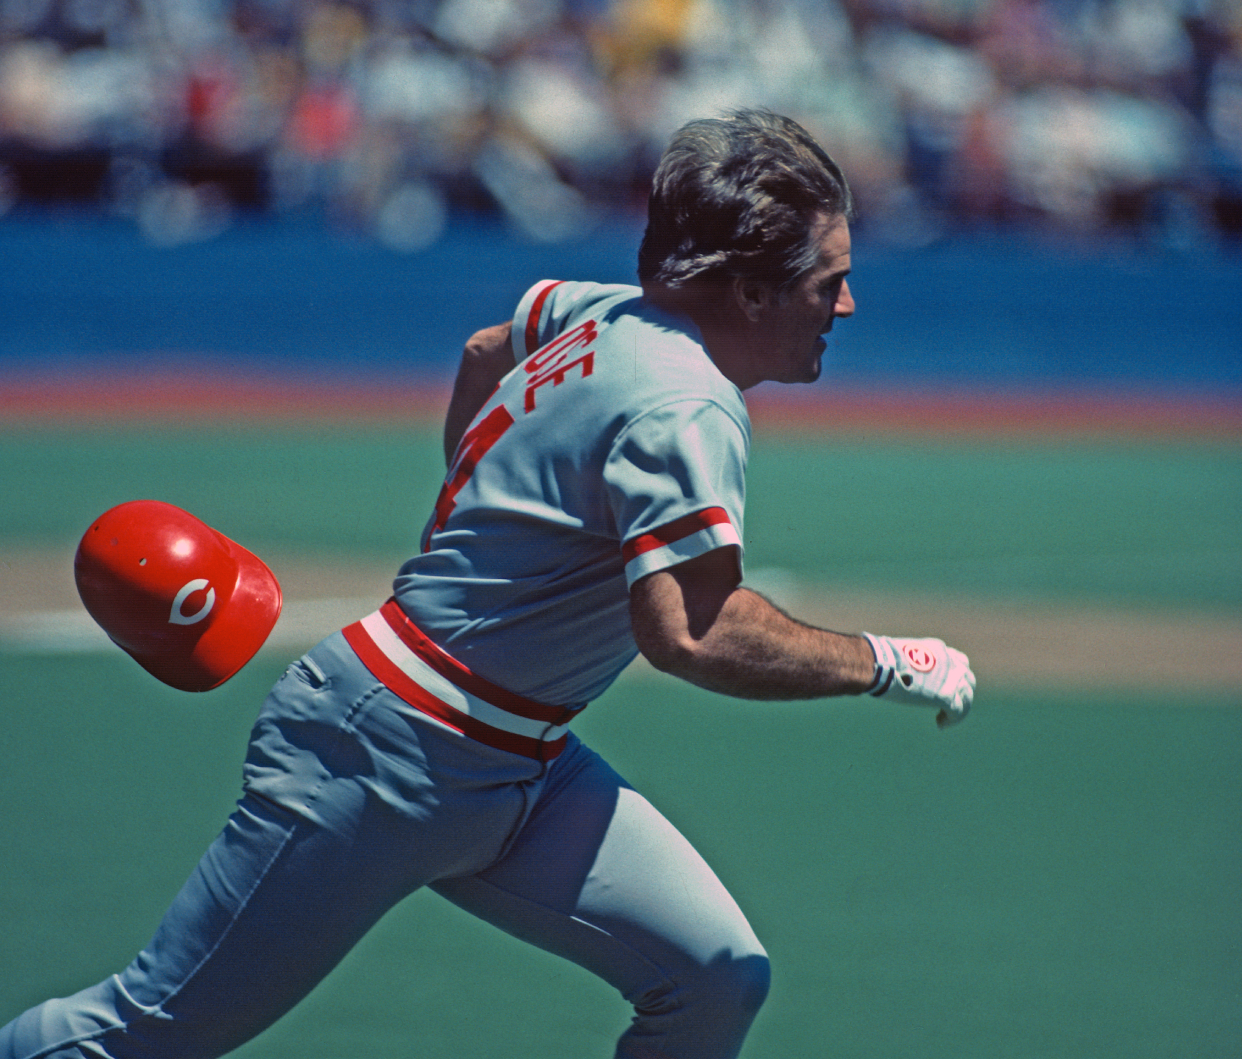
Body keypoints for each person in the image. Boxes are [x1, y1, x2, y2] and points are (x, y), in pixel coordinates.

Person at [1, 109, 974, 1059]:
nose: (845, 305)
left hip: (519, 762)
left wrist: (477, 511)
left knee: (717, 978)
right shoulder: (686, 407)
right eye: (828, 281)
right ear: (751, 292)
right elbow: (691, 632)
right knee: (145, 1034)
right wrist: (884, 662)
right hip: (381, 755)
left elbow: (484, 348)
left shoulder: (609, 312)